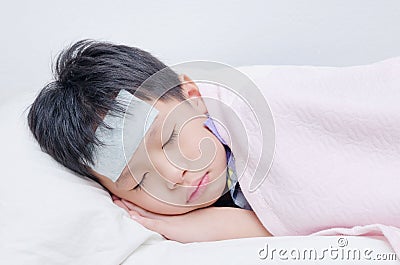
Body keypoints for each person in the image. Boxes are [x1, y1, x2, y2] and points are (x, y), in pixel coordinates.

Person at [28, 39, 271, 243]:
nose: (175, 175)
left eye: (169, 139)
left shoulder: (259, 115)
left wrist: (226, 226)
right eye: (139, 182)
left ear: (192, 96)